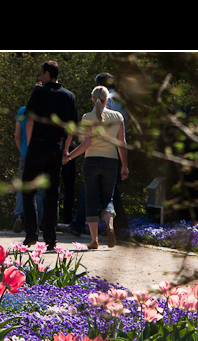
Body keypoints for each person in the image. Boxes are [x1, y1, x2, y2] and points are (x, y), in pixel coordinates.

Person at [21, 61, 78, 248]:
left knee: (29, 191)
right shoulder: (69, 96)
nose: (39, 77)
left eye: (40, 74)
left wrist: (30, 144)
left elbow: (30, 121)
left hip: (37, 145)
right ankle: (51, 239)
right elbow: (72, 128)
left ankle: (31, 233)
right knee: (53, 194)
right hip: (56, 147)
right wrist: (66, 149)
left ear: (47, 73)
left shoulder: (39, 92)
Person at [64, 85, 129, 249]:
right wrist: (125, 166)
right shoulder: (118, 117)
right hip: (111, 162)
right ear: (107, 100)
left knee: (91, 200)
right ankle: (110, 226)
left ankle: (94, 240)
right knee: (108, 199)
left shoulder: (87, 117)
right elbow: (122, 144)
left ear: (93, 100)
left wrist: (70, 156)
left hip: (91, 161)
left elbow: (86, 144)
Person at [12, 102, 44, 233]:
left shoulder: (22, 111)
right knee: (39, 190)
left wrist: (22, 151)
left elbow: (17, 135)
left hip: (25, 153)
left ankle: (19, 215)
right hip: (42, 154)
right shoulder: (47, 112)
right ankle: (37, 222)